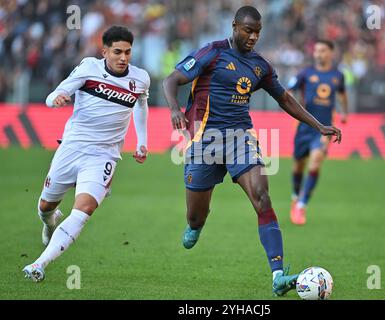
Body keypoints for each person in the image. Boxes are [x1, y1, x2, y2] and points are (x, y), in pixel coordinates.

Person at [162, 6, 341, 296]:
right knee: (195, 217)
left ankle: (278, 275)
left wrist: (318, 125)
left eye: (257, 31)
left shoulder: (260, 66)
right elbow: (170, 81)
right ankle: (196, 225)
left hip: (240, 138)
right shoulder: (212, 52)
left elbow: (285, 98)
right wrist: (173, 109)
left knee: (262, 196)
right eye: (248, 30)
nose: (253, 36)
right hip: (204, 141)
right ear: (234, 26)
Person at [23, 26, 151, 282]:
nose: (123, 57)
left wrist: (142, 142)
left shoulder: (140, 78)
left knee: (83, 210)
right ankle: (49, 222)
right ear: (104, 51)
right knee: (46, 206)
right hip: (72, 148)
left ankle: (39, 264)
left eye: (127, 52)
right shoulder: (88, 68)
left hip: (104, 155)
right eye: (117, 52)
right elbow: (54, 95)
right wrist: (57, 98)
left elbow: (141, 104)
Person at [288, 40, 348, 225]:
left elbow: (342, 94)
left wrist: (344, 112)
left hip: (324, 129)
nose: (318, 54)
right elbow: (289, 91)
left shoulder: (338, 76)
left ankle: (302, 206)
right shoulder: (305, 73)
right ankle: (296, 196)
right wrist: (293, 104)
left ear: (331, 53)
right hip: (304, 127)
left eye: (322, 51)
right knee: (298, 166)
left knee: (315, 163)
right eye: (316, 51)